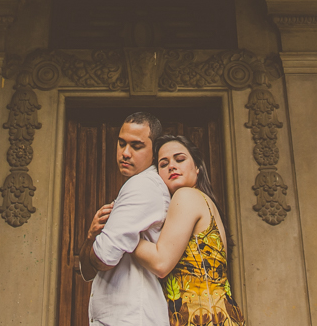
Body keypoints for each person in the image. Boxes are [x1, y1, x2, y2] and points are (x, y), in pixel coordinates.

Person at [132, 134, 245, 326]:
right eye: (163, 163)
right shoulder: (207, 203)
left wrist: (120, 235)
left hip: (202, 319)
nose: (172, 166)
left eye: (180, 159)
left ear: (197, 167)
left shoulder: (186, 196)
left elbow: (160, 262)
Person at [79, 111, 171, 326]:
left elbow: (103, 259)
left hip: (132, 318)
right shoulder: (134, 187)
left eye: (136, 146)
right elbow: (87, 271)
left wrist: (98, 245)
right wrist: (91, 238)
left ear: (155, 152)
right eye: (121, 144)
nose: (125, 153)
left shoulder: (143, 185)